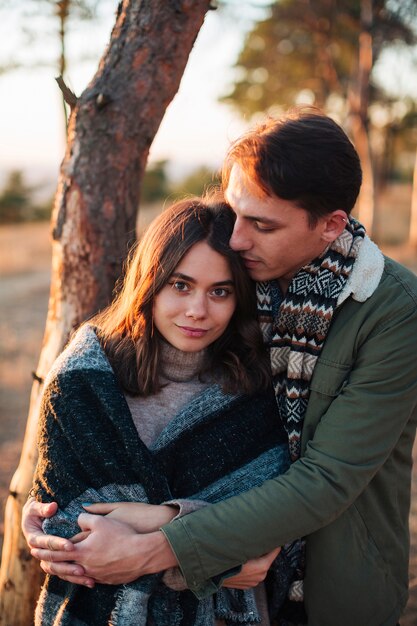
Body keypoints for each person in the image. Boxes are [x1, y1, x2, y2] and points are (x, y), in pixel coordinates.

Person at [24, 108, 417, 626]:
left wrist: (158, 541)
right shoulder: (243, 271)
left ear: (330, 226)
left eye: (261, 224)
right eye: (236, 214)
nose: (235, 239)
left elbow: (325, 479)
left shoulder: (391, 312)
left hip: (328, 583)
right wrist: (51, 504)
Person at [27, 196, 302, 626]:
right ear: (149, 282)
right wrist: (209, 556)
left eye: (220, 292)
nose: (197, 310)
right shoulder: (84, 382)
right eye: (180, 285)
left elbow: (265, 546)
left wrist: (158, 529)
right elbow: (65, 535)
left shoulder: (255, 393)